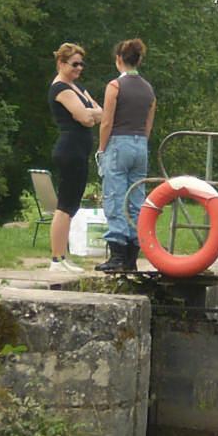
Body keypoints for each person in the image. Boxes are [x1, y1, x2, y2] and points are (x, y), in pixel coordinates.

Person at [96, 38, 156, 273]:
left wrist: (102, 148)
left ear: (119, 59)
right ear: (139, 59)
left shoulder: (115, 86)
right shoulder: (148, 89)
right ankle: (133, 253)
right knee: (136, 199)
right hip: (140, 143)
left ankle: (117, 253)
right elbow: (149, 124)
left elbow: (107, 121)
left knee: (114, 196)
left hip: (118, 143)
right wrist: (141, 142)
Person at [47, 42, 103, 272]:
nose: (79, 68)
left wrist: (92, 114)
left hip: (80, 149)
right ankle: (56, 258)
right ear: (61, 63)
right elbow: (85, 118)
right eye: (74, 64)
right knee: (65, 204)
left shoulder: (77, 88)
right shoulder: (61, 88)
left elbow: (101, 112)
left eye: (82, 64)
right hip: (69, 148)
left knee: (72, 204)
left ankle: (63, 255)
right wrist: (91, 114)